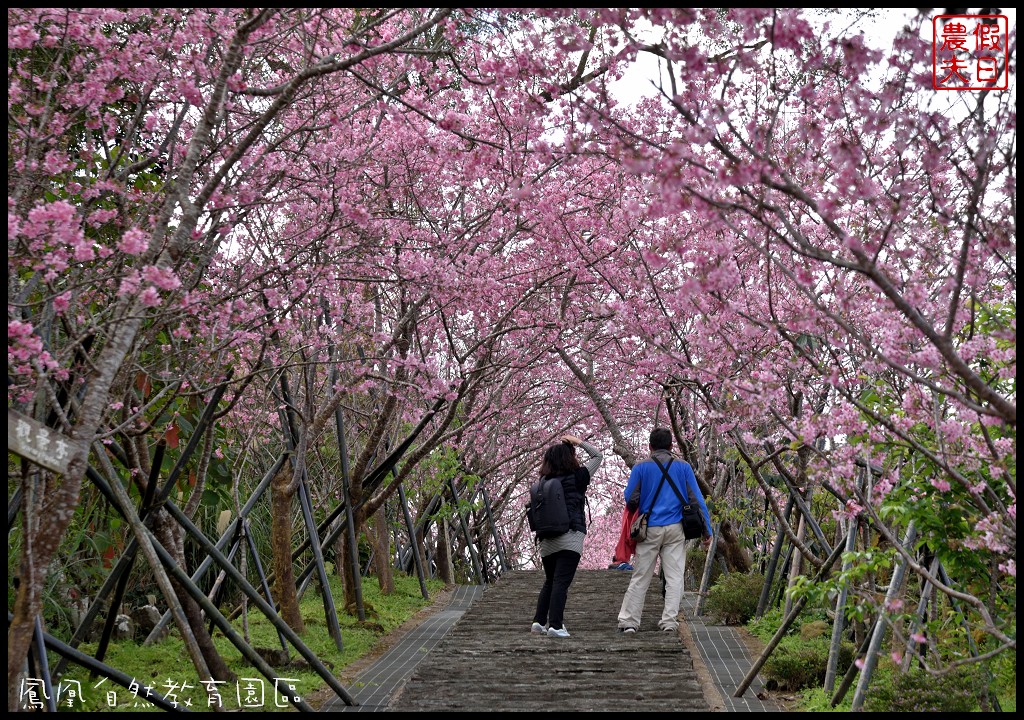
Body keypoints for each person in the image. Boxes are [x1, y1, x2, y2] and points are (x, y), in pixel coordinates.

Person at [616, 427, 712, 634]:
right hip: (676, 528)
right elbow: (697, 499)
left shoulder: (641, 467)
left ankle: (630, 622)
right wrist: (707, 530)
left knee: (641, 575)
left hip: (649, 528)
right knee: (675, 576)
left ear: (650, 446)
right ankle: (669, 622)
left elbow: (630, 498)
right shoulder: (683, 467)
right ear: (671, 446)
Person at [530, 434, 603, 638]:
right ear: (569, 458)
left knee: (550, 580)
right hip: (570, 536)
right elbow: (597, 456)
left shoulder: (543, 482)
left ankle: (539, 621)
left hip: (546, 539)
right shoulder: (578, 477)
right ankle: (555, 625)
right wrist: (578, 442)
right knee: (561, 582)